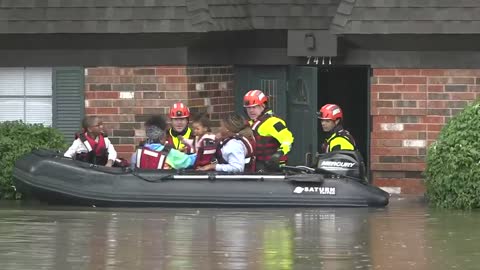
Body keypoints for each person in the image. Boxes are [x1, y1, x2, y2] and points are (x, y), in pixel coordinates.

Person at [243, 89, 294, 170]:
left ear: (263, 106)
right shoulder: (250, 123)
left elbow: (288, 140)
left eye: (254, 107)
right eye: (248, 108)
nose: (251, 111)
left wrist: (279, 153)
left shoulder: (273, 122)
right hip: (256, 166)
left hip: (272, 167)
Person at [131, 115, 196, 170]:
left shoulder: (137, 153)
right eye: (165, 133)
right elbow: (191, 160)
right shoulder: (171, 153)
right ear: (162, 136)